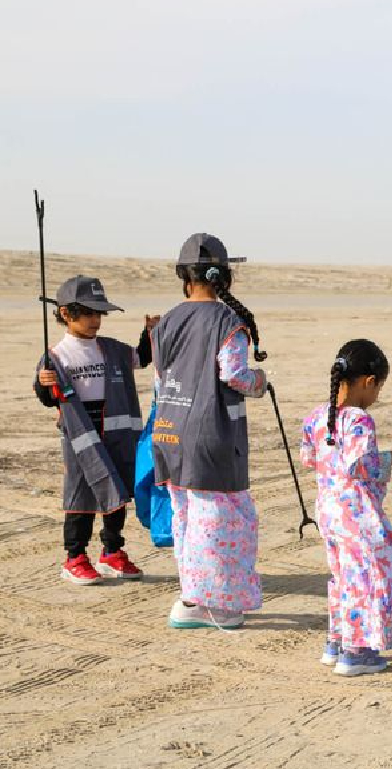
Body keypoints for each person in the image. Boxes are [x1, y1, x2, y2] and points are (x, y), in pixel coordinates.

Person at [152, 233, 267, 630]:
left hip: (168, 431)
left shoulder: (166, 320)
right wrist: (260, 381)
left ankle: (190, 598)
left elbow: (161, 375)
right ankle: (215, 604)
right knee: (221, 522)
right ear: (226, 278)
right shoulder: (228, 322)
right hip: (211, 436)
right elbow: (234, 374)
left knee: (186, 517)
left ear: (184, 277)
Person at [35, 275, 158, 585]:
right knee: (81, 495)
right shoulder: (57, 356)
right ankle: (74, 557)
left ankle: (112, 552)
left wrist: (149, 333)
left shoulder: (113, 349)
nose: (95, 321)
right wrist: (44, 385)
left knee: (116, 492)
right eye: (88, 313)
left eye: (98, 313)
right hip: (80, 437)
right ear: (66, 313)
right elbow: (48, 398)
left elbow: (141, 359)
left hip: (116, 435)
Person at [300, 339, 392, 676]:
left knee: (343, 575)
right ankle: (357, 650)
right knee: (372, 574)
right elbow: (361, 465)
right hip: (356, 513)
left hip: (329, 511)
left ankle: (336, 641)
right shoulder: (360, 420)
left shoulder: (317, 416)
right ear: (368, 382)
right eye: (379, 387)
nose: (377, 396)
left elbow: (309, 458)